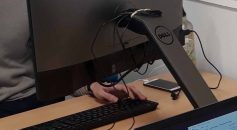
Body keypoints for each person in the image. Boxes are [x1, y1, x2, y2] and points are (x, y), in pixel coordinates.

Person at [0, 0, 145, 119]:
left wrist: (92, 86)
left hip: (44, 100)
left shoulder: (31, 5)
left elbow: (54, 59)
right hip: (6, 108)